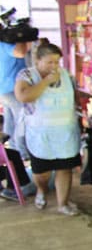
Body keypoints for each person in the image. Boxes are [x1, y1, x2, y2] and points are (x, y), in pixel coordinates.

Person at [14, 42, 80, 215]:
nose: (54, 66)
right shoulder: (27, 75)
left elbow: (74, 97)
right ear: (38, 60)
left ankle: (63, 203)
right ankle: (42, 190)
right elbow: (23, 96)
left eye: (57, 62)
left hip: (65, 132)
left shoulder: (66, 75)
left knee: (64, 168)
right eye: (49, 62)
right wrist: (46, 82)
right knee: (42, 172)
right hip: (40, 134)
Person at [0, 32, 36, 200]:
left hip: (5, 90)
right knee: (21, 123)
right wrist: (23, 37)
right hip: (13, 90)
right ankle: (21, 154)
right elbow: (21, 52)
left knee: (11, 124)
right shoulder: (6, 45)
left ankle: (14, 152)